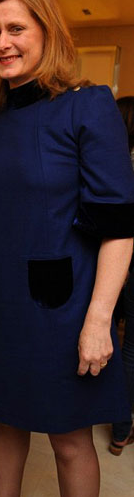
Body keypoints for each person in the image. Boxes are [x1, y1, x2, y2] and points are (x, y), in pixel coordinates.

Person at [0, 0, 134, 497]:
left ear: (47, 32)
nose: (2, 42)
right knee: (3, 414)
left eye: (16, 28)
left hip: (63, 308)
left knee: (68, 438)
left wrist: (99, 321)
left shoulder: (88, 104)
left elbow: (118, 227)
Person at [109, 96, 134, 454]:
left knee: (117, 342)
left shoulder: (111, 161)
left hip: (113, 266)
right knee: (129, 348)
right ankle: (121, 428)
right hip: (125, 266)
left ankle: (117, 428)